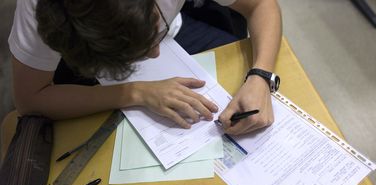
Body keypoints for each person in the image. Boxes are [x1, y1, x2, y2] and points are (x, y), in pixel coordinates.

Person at [8, 0, 282, 135]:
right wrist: (135, 93)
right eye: (140, 50)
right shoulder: (43, 11)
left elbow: (260, 5)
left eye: (155, 31)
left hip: (182, 29)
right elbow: (30, 99)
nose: (155, 54)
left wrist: (260, 76)